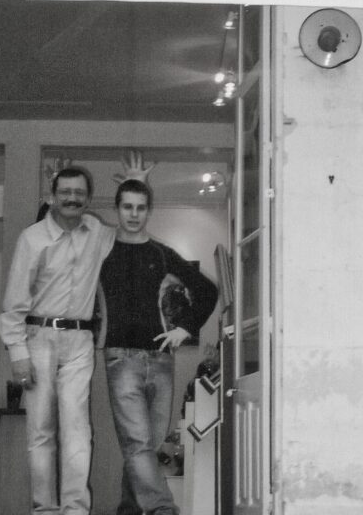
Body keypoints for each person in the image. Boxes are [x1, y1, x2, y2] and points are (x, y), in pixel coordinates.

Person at [0, 166, 116, 515]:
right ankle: (44, 509)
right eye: (65, 192)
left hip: (79, 340)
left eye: (79, 193)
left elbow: (129, 231)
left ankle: (76, 509)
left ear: (89, 199)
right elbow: (14, 304)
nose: (72, 198)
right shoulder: (32, 238)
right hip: (38, 340)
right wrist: (18, 353)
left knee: (78, 430)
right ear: (52, 196)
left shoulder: (96, 231)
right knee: (40, 431)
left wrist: (137, 186)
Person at [100, 178, 218, 515]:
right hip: (120, 358)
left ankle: (129, 509)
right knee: (138, 443)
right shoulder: (103, 249)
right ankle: (163, 510)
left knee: (145, 447)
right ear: (117, 209)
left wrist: (185, 328)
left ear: (148, 211)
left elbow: (207, 290)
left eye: (140, 208)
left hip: (162, 360)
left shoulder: (161, 253)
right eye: (127, 207)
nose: (134, 214)